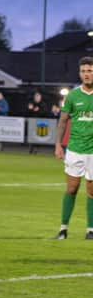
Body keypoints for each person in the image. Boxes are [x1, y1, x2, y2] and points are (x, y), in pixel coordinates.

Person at [53, 56, 93, 240]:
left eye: (90, 71)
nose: (87, 74)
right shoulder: (73, 95)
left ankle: (90, 230)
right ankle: (63, 229)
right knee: (72, 189)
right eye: (84, 71)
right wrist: (58, 145)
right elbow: (62, 121)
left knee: (92, 191)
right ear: (80, 73)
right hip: (75, 149)